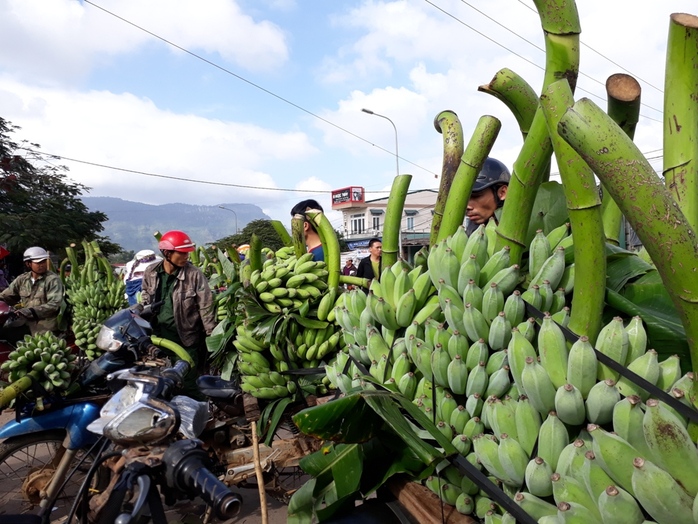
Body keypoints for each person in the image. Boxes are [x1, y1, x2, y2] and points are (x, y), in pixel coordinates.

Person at [140, 230, 216, 397]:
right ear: (167, 253)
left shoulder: (194, 274)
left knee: (188, 380)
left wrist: (212, 336)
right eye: (181, 253)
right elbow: (145, 298)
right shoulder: (151, 272)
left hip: (185, 337)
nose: (186, 256)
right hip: (158, 336)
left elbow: (206, 305)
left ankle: (198, 412)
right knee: (161, 380)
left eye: (187, 253)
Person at [0, 246, 64, 343]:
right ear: (28, 263)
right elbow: (7, 296)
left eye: (43, 262)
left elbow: (55, 304)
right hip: (24, 323)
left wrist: (29, 311)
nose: (42, 265)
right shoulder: (22, 279)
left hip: (45, 326)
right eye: (38, 262)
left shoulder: (53, 280)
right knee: (3, 334)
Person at [465, 157, 511, 235]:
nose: (467, 206)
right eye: (464, 199)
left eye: (476, 196)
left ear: (502, 192)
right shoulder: (469, 233)